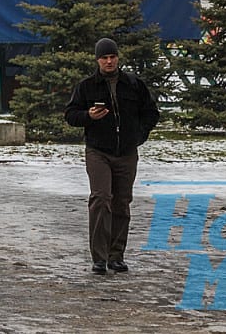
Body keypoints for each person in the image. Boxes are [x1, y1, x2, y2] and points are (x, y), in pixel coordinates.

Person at [63, 37, 160, 275]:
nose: (109, 61)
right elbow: (70, 114)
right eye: (104, 57)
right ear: (97, 60)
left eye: (112, 57)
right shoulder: (86, 86)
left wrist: (138, 136)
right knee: (101, 198)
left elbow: (151, 113)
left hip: (127, 152)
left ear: (118, 57)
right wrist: (89, 116)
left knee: (121, 202)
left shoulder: (133, 84)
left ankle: (117, 255)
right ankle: (99, 257)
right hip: (98, 151)